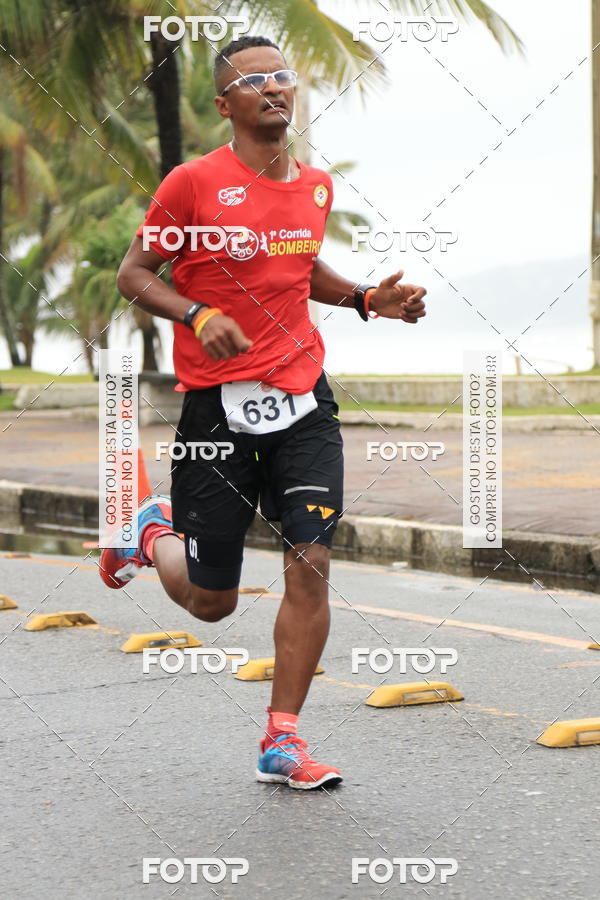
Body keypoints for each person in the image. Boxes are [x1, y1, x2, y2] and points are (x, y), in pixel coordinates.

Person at [100, 35, 426, 790]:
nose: (276, 89)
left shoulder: (314, 187)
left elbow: (300, 263)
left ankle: (283, 740)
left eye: (285, 76)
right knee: (212, 602)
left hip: (304, 401)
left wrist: (368, 299)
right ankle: (150, 533)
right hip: (216, 411)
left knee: (310, 561)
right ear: (226, 105)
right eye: (257, 82)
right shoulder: (190, 185)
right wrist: (194, 313)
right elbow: (134, 273)